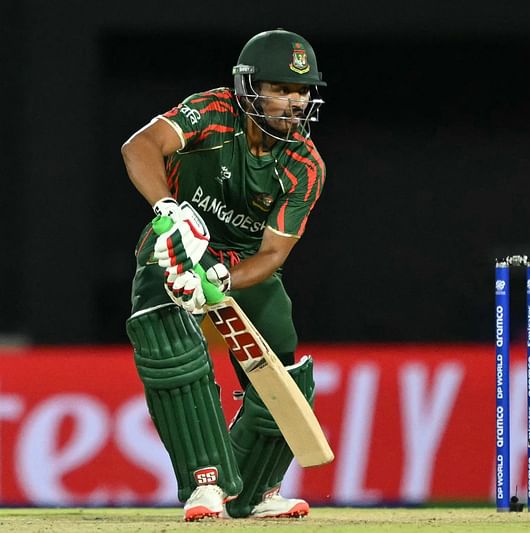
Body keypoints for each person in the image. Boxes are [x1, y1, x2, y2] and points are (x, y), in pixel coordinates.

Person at [120, 29, 328, 521]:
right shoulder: (212, 112)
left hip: (237, 265)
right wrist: (169, 210)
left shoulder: (304, 164)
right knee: (165, 336)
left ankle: (256, 490)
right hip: (176, 240)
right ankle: (204, 482)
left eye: (302, 91)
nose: (295, 102)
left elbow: (273, 254)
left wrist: (222, 281)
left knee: (281, 357)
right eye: (281, 88)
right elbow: (139, 147)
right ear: (249, 87)